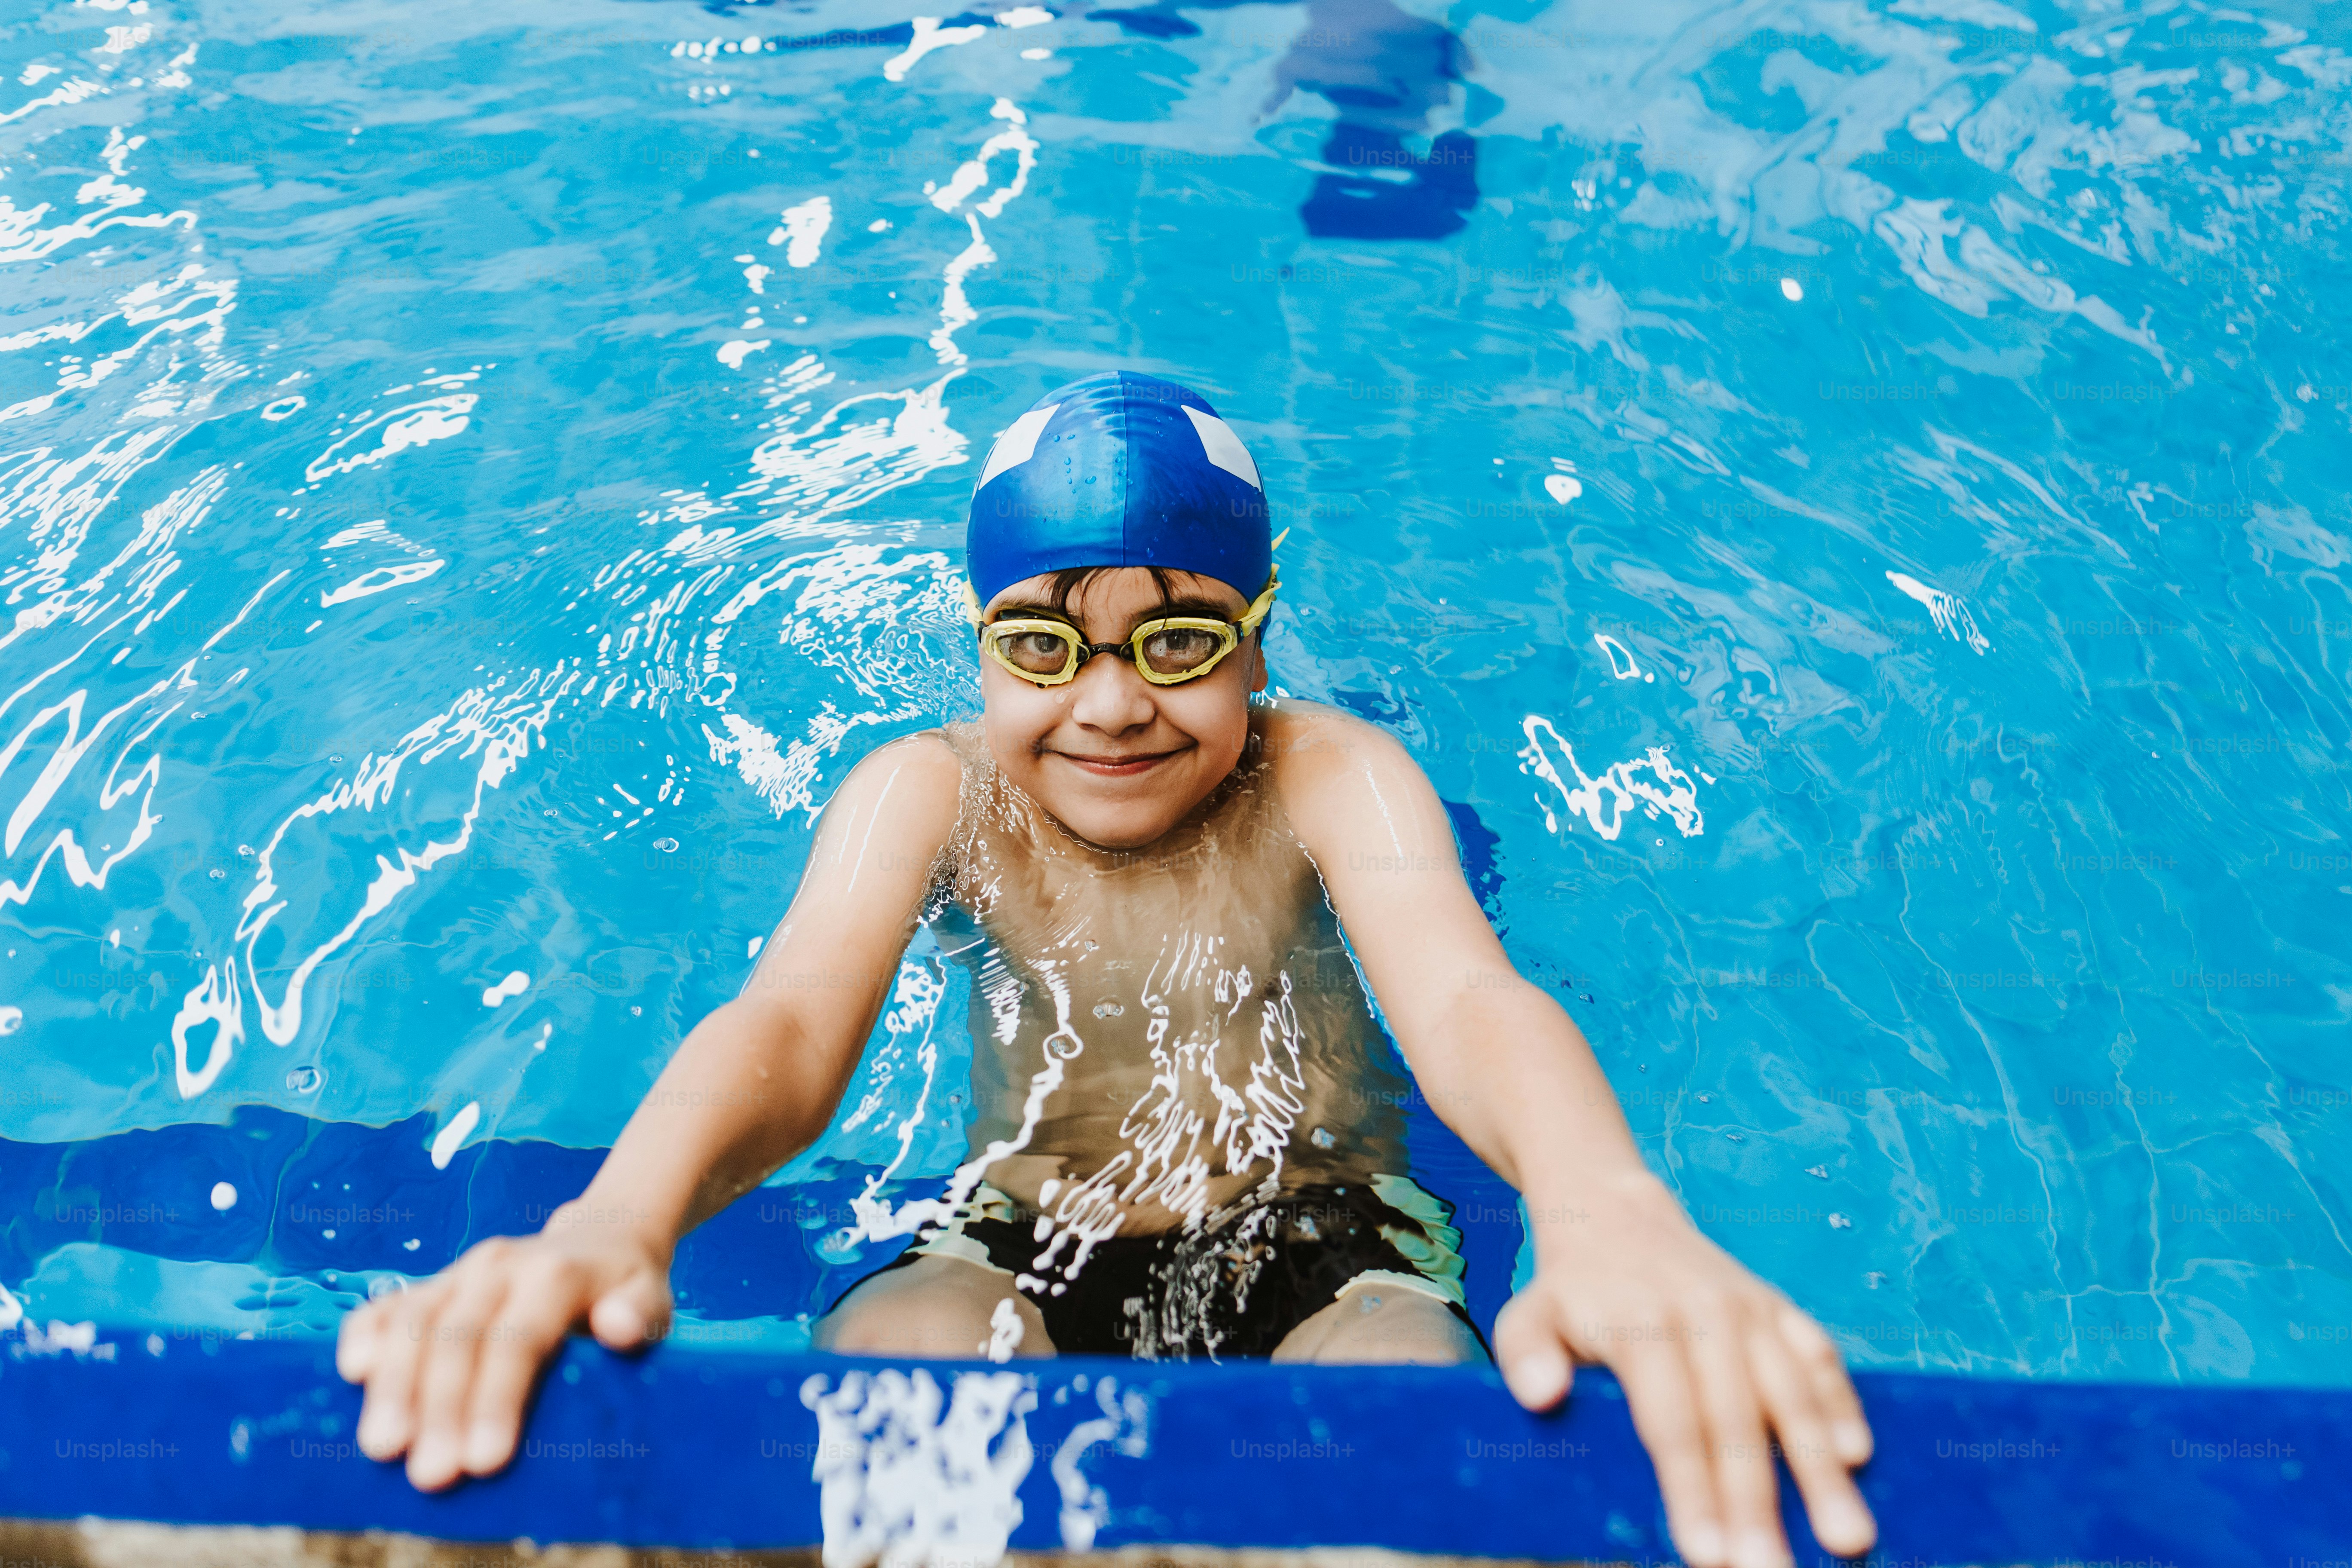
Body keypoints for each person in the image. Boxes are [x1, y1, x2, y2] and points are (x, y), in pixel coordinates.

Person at [338, 371, 1878, 1568]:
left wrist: (1613, 1216)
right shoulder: (926, 792)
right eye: (1045, 644)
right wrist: (619, 1224)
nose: (1112, 706)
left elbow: (1468, 999)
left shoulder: (1330, 779)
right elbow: (791, 1022)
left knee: (1404, 1414)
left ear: (1260, 644)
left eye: (1180, 644)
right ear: (982, 647)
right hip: (1026, 1232)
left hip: (1327, 1238)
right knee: (899, 1378)